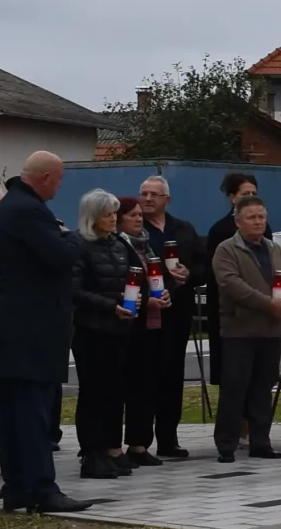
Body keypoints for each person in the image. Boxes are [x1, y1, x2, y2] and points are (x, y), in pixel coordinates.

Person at [0, 153, 88, 512]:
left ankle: (18, 487)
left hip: (11, 331)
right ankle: (42, 488)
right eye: (58, 181)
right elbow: (60, 255)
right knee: (33, 415)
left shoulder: (9, 207)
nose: (59, 188)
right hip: (31, 331)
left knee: (13, 416)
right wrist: (72, 237)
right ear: (45, 177)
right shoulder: (28, 210)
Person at [211, 192, 281, 461]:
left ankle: (261, 441)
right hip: (240, 330)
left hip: (270, 330)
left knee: (262, 388)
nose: (258, 222)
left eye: (261, 216)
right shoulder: (226, 249)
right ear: (238, 222)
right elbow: (232, 285)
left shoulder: (274, 248)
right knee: (235, 387)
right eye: (251, 218)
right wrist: (267, 303)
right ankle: (226, 443)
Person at [69, 189, 140, 481]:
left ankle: (112, 448)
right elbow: (75, 290)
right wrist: (110, 306)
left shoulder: (119, 244)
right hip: (91, 330)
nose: (113, 220)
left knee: (114, 392)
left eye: (114, 214)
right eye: (107, 215)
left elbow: (131, 277)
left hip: (119, 329)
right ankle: (91, 452)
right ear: (92, 217)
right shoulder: (78, 245)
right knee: (93, 393)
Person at [135, 176, 199, 460]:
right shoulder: (136, 229)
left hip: (179, 311)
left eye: (154, 195)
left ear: (167, 199)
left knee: (173, 375)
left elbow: (203, 263)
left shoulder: (183, 228)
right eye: (143, 194)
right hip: (147, 313)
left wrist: (190, 274)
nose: (147, 199)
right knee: (146, 376)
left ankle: (168, 438)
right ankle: (140, 441)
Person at [115, 195, 174, 467]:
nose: (139, 219)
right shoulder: (117, 245)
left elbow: (156, 277)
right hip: (127, 325)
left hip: (152, 323)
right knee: (125, 386)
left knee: (146, 386)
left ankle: (139, 444)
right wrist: (146, 299)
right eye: (132, 215)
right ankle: (113, 446)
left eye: (140, 215)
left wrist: (164, 295)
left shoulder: (147, 246)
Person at [201, 170, 257, 391]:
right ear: (233, 198)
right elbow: (216, 274)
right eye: (245, 193)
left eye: (254, 193)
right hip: (229, 312)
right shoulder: (220, 231)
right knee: (231, 374)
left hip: (258, 311)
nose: (251, 197)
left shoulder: (265, 229)